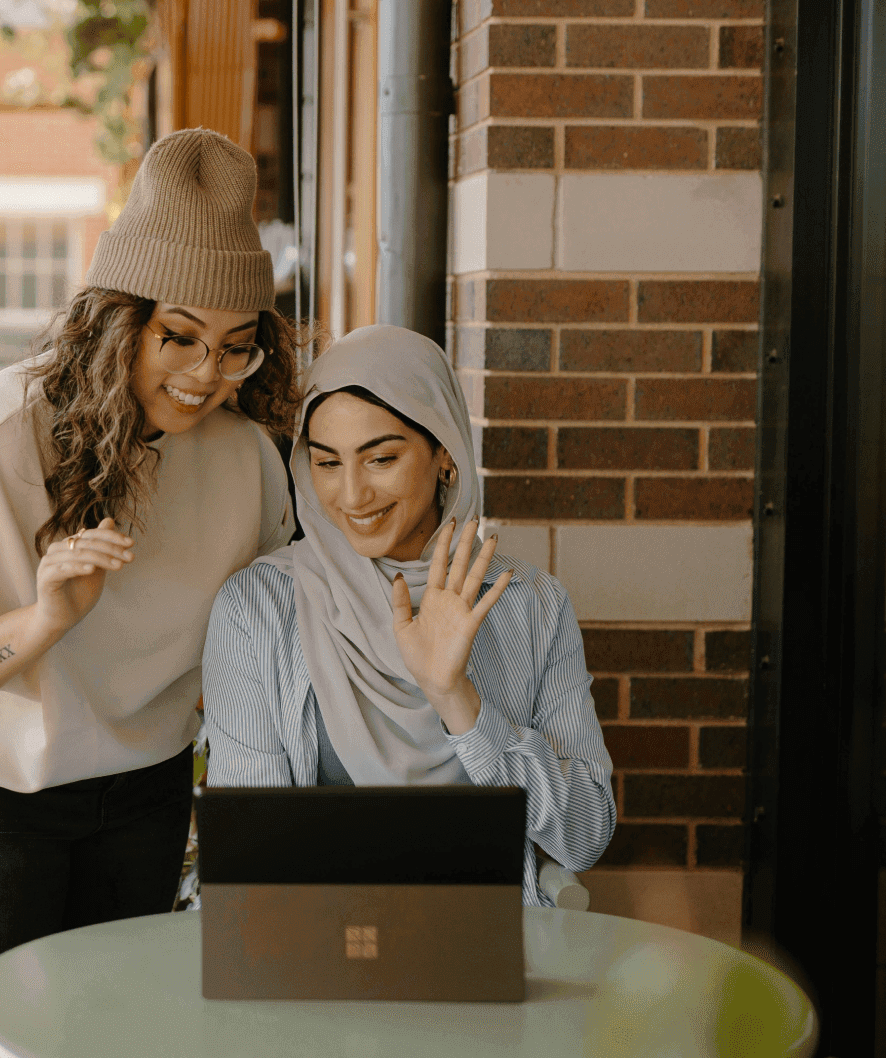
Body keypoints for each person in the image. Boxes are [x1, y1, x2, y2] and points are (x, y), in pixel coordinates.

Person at [0, 128, 302, 1057]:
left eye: (236, 348)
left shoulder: (245, 459)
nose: (204, 377)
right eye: (176, 336)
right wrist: (45, 619)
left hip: (141, 791)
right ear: (117, 319)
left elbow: (267, 640)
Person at [201, 324, 614, 902]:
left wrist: (457, 699)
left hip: (482, 957)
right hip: (310, 955)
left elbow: (585, 837)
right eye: (326, 463)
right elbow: (249, 856)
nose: (352, 496)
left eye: (381, 458)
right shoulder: (258, 609)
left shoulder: (532, 605)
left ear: (443, 450)